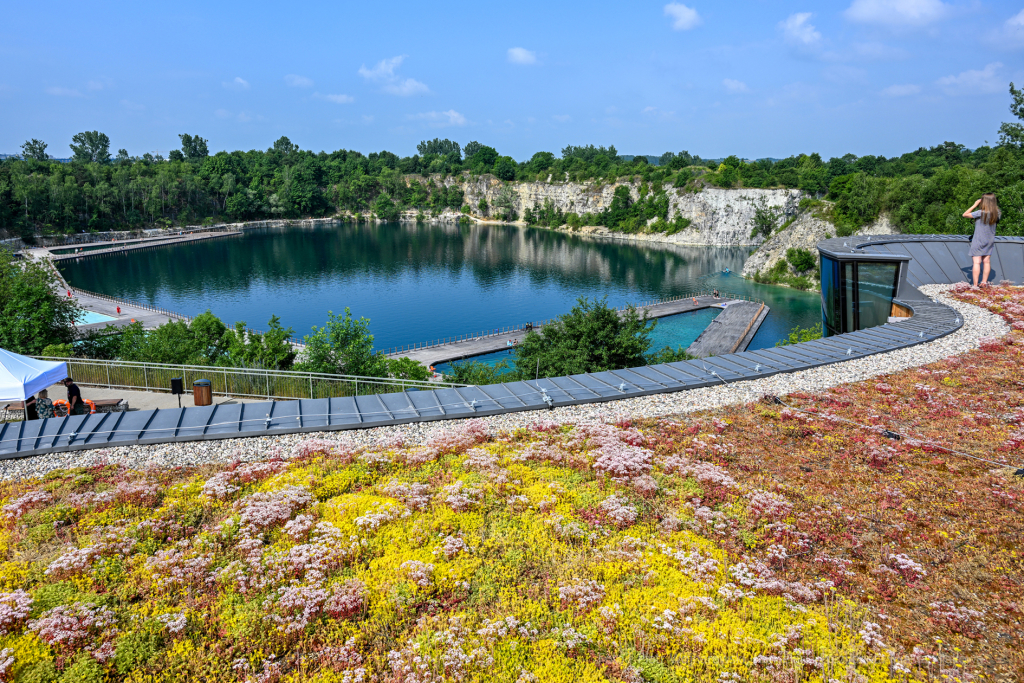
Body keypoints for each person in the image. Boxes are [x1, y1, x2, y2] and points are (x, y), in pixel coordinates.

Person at [962, 193, 1000, 287]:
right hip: (989, 240)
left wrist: (975, 205)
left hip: (979, 240)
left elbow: (965, 215)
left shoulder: (980, 213)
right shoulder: (997, 213)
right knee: (986, 261)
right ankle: (984, 282)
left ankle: (975, 285)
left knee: (976, 262)